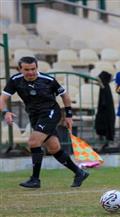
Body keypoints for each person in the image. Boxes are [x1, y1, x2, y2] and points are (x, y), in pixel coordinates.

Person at [0, 56, 89, 188]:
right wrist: (5, 111)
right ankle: (79, 172)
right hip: (35, 116)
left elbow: (64, 95)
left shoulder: (48, 80)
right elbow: (3, 98)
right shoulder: (15, 80)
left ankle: (35, 180)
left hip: (50, 113)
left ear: (37, 67)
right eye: (26, 69)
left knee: (33, 142)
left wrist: (69, 115)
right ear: (20, 69)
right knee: (54, 148)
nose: (30, 72)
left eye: (33, 69)